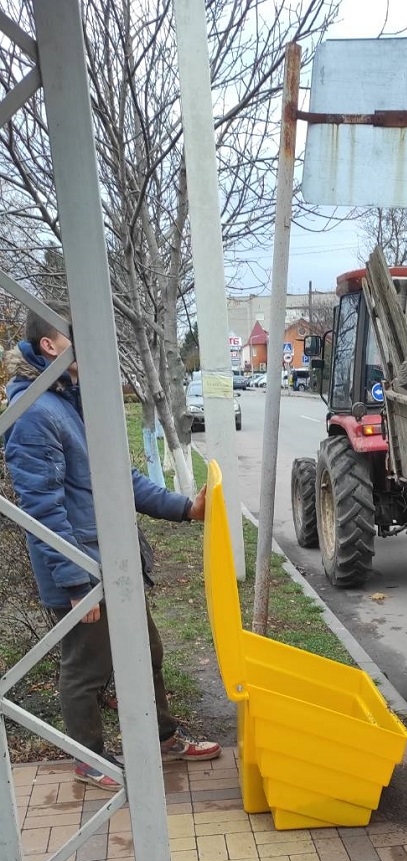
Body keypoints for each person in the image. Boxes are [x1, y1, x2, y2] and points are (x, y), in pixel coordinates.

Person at [3, 309, 221, 790]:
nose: (86, 345)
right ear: (50, 348)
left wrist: (185, 508)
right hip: (81, 573)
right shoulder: (36, 414)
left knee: (147, 652)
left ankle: (163, 738)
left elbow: (123, 480)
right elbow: (43, 509)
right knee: (86, 669)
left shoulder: (74, 402)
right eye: (73, 337)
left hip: (114, 566)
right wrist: (77, 583)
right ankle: (89, 758)